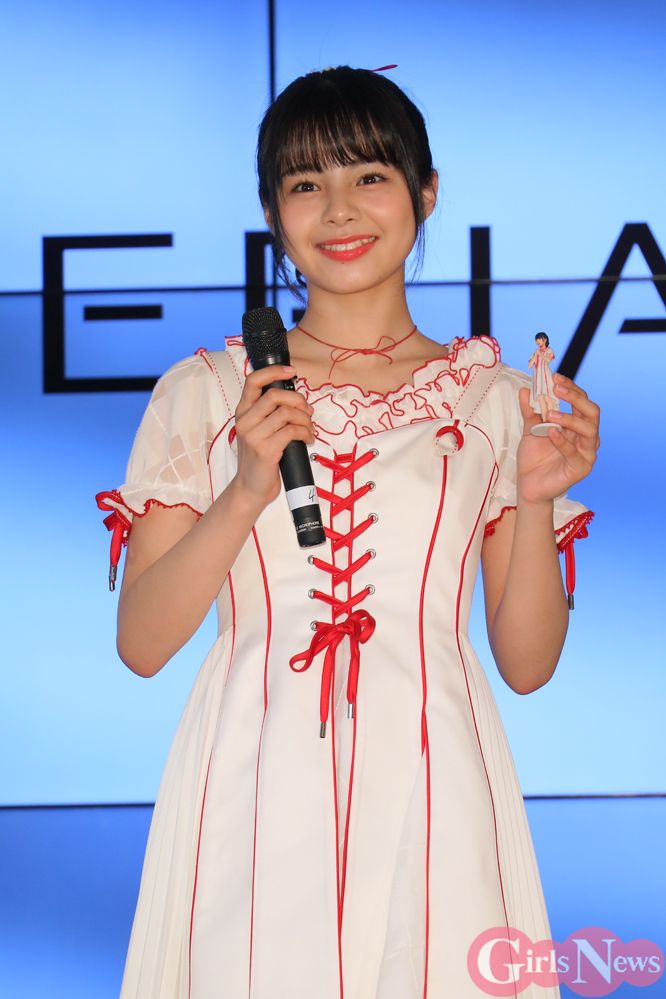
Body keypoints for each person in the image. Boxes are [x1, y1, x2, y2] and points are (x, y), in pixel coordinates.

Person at [96, 66, 599, 999]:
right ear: (272, 213)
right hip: (251, 785)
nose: (338, 209)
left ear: (426, 192)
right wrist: (246, 489)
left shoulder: (493, 401)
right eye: (305, 183)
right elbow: (141, 643)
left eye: (369, 175)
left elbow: (527, 665)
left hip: (438, 780)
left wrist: (535, 498)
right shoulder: (207, 392)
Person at [528, 332, 559, 424]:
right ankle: (544, 421)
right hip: (537, 376)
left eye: (539, 339)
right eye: (536, 340)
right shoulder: (536, 351)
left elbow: (548, 360)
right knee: (541, 398)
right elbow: (530, 365)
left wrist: (540, 354)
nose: (537, 341)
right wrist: (535, 356)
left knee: (548, 397)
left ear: (544, 340)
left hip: (545, 375)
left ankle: (551, 419)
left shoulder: (549, 350)